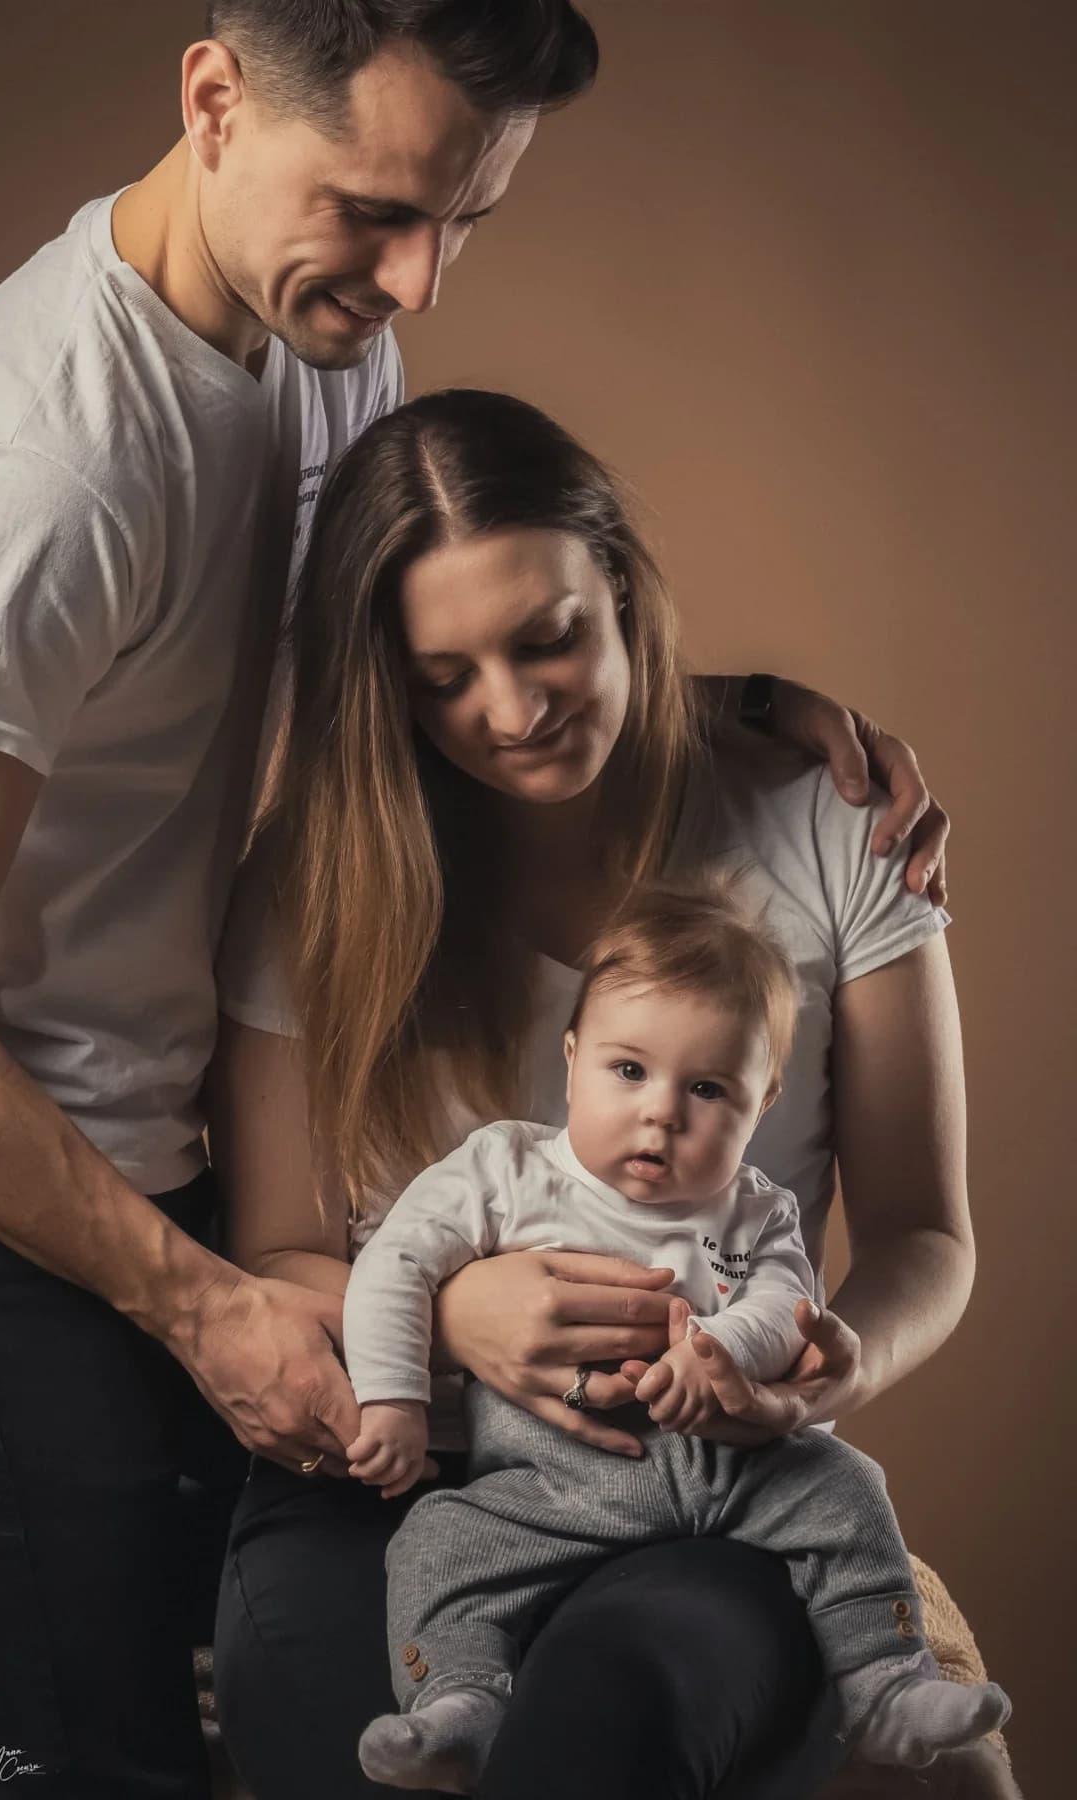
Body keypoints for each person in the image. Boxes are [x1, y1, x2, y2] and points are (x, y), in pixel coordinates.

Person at [0, 4, 953, 1793]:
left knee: (204, 1634)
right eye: (377, 209)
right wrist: (213, 1307)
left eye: (461, 219)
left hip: (184, 1147)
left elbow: (441, 649)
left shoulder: (316, 334)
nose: (418, 279)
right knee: (107, 1753)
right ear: (212, 97)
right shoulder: (41, 473)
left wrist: (720, 713)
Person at [209, 388, 982, 1799]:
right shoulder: (314, 879)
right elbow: (272, 1251)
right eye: (441, 676)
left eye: (548, 638)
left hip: (701, 1482)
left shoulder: (825, 820)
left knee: (604, 1724)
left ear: (616, 579)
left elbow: (925, 1235)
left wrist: (824, 1371)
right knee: (330, 1730)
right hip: (395, 1473)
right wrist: (443, 1314)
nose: (507, 712)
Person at [340, 888, 1009, 1792]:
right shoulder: (505, 1169)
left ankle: (886, 1683)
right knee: (436, 1542)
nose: (661, 1114)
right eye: (628, 1071)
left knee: (848, 1489)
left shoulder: (753, 1209)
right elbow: (394, 1266)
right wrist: (393, 1401)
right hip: (550, 1480)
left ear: (761, 1098)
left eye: (705, 1089)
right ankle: (458, 1702)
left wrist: (720, 1349)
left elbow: (784, 1302)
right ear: (571, 1061)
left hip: (731, 1472)